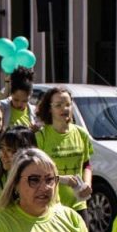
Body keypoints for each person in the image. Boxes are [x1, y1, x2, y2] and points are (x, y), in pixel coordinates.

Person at [35, 87, 93, 216]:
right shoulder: (41, 137)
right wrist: (61, 179)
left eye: (68, 105)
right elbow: (35, 174)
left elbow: (86, 164)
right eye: (58, 105)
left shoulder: (81, 133)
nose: (64, 109)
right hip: (51, 205)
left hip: (78, 204)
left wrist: (87, 184)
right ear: (50, 109)